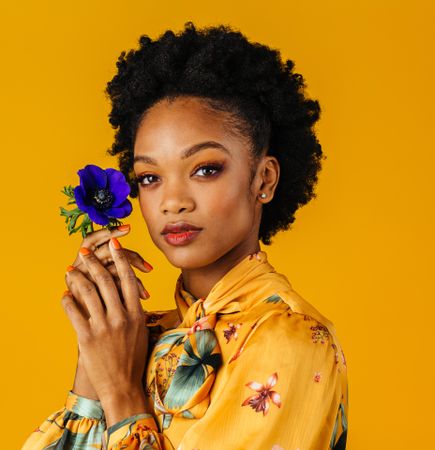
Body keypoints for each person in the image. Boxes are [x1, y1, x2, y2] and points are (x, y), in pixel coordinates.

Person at [21, 22, 348, 450]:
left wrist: (121, 393)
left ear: (263, 179)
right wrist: (96, 354)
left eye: (205, 169)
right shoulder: (143, 335)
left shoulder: (292, 340)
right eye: (150, 177)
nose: (172, 201)